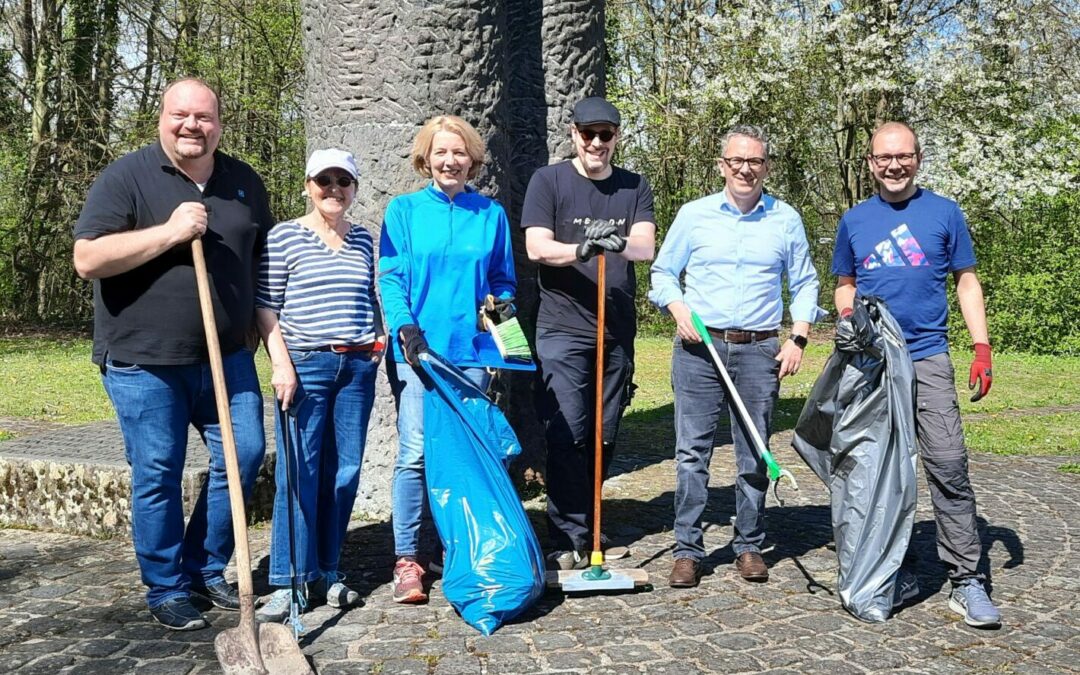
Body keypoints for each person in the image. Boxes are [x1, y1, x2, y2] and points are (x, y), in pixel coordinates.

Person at [72, 78, 273, 630]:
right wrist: (169, 232)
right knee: (158, 473)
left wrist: (269, 338)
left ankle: (204, 567)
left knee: (245, 454)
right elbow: (88, 258)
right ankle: (165, 586)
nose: (192, 126)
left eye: (204, 117)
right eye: (181, 115)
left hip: (226, 358)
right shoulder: (128, 176)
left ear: (220, 124)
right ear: (162, 118)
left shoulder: (241, 180)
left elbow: (264, 263)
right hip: (145, 361)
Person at [832, 121, 1001, 627]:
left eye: (903, 156)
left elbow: (966, 283)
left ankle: (967, 580)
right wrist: (847, 321)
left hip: (927, 356)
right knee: (879, 472)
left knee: (948, 464)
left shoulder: (944, 213)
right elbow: (845, 284)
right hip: (874, 362)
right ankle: (887, 572)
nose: (893, 166)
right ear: (870, 163)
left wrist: (981, 346)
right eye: (883, 158)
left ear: (918, 158)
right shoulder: (855, 220)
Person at [649, 124, 825, 587]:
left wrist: (799, 336)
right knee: (692, 454)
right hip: (698, 350)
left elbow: (805, 282)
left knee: (754, 451)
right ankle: (688, 549)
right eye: (736, 161)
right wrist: (676, 306)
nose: (745, 169)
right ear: (721, 165)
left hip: (760, 349)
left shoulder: (785, 219)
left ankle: (749, 543)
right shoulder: (694, 215)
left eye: (755, 161)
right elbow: (663, 272)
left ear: (766, 166)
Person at [378, 115, 517, 603]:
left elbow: (503, 281)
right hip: (418, 352)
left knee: (463, 454)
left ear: (472, 159)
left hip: (470, 353)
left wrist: (501, 308)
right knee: (415, 452)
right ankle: (408, 560)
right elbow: (391, 278)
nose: (450, 161)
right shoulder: (404, 212)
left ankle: (455, 548)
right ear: (425, 158)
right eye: (441, 152)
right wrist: (405, 328)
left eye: (459, 153)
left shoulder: (490, 214)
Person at [521, 96, 656, 570]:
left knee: (604, 432)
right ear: (574, 134)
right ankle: (565, 535)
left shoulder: (633, 185)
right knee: (568, 430)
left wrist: (616, 241)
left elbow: (644, 245)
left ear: (617, 137)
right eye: (588, 133)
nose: (597, 142)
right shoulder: (549, 180)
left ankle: (592, 523)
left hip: (615, 327)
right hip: (563, 328)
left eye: (606, 134)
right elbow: (536, 246)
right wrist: (582, 248)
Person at [253, 149, 384, 622]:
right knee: (298, 474)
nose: (334, 189)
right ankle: (290, 583)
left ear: (354, 187)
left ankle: (327, 570)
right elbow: (266, 306)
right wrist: (281, 365)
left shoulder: (365, 239)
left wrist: (378, 337)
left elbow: (372, 295)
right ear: (309, 185)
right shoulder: (285, 236)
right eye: (324, 180)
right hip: (304, 366)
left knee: (344, 471)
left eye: (343, 181)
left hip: (355, 369)